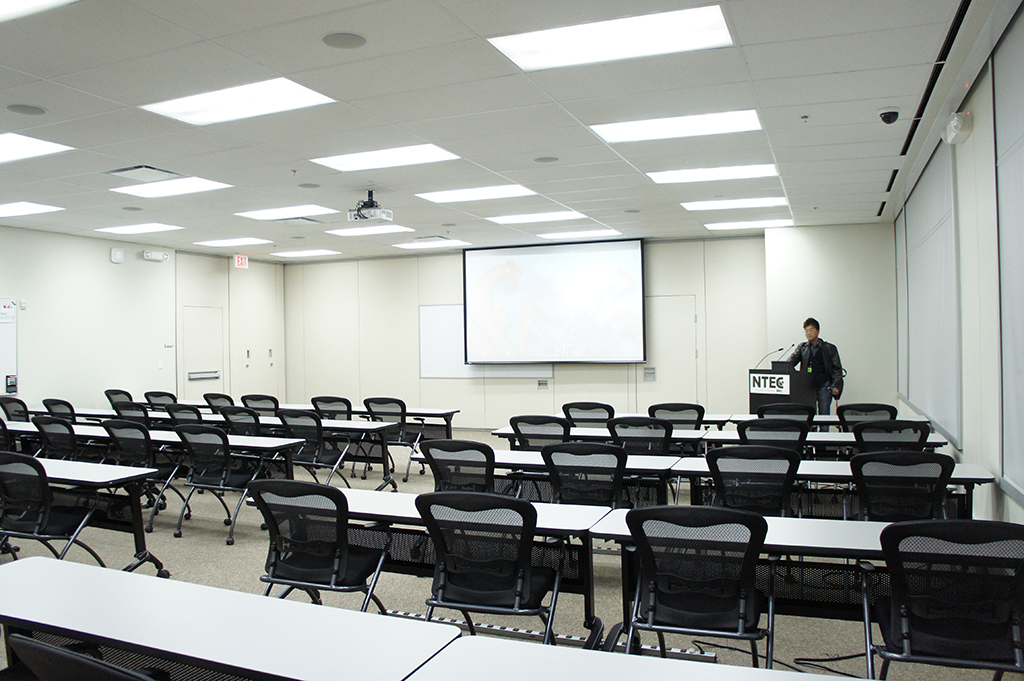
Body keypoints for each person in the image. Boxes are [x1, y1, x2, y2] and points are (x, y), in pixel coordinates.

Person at [787, 317, 844, 415]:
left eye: (811, 330)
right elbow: (790, 363)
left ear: (818, 331)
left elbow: (837, 369)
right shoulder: (802, 348)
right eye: (806, 331)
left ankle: (823, 431)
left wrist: (836, 386)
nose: (808, 333)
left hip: (824, 386)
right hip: (807, 387)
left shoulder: (829, 348)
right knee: (808, 415)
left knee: (824, 415)